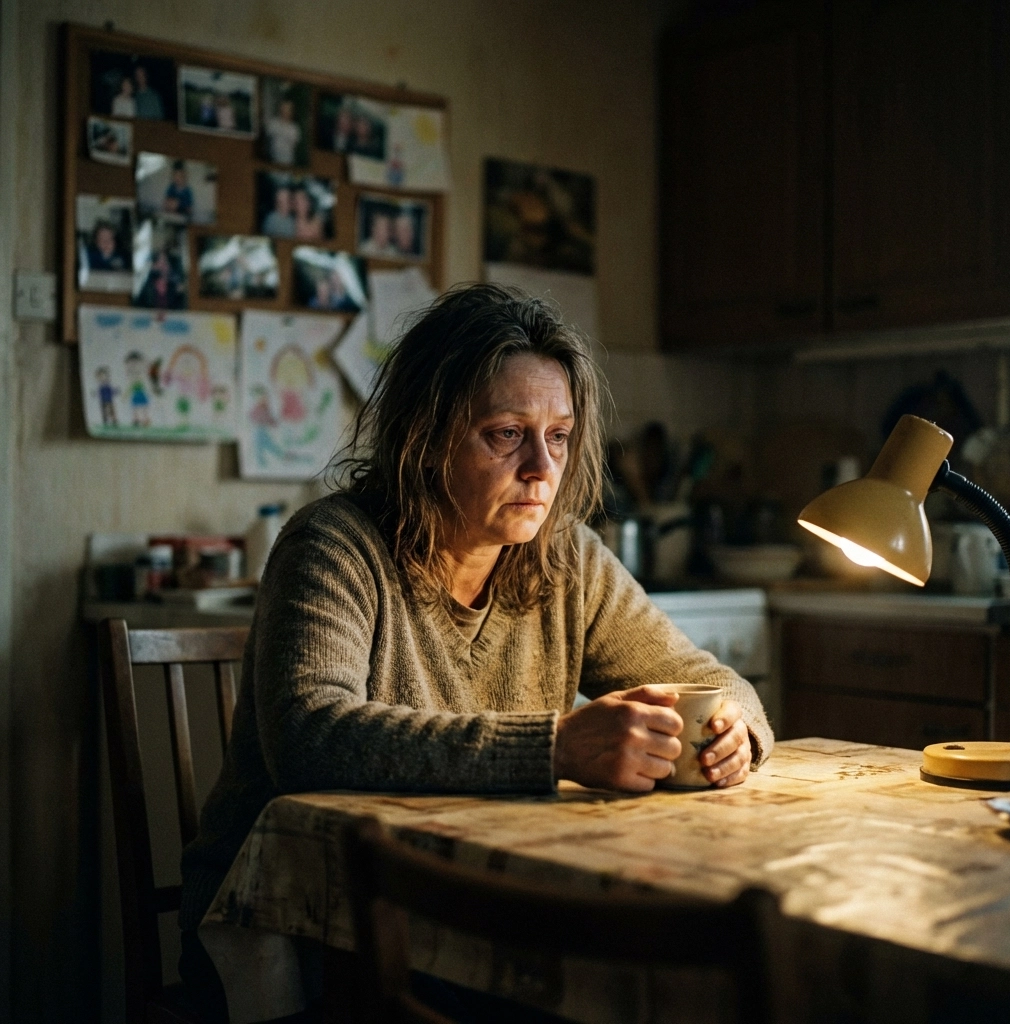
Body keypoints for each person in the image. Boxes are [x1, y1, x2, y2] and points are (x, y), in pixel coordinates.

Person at [178, 284, 773, 1021]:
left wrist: (735, 734)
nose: (542, 468)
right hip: (301, 925)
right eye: (506, 434)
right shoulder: (333, 545)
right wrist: (556, 747)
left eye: (559, 437)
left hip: (463, 909)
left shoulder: (569, 559)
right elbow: (310, 736)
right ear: (424, 439)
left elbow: (720, 684)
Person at [265, 96, 301, 165]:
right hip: (271, 161)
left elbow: (294, 145)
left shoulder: (295, 128)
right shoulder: (273, 123)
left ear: (292, 111)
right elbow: (267, 139)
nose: (285, 111)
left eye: (288, 109)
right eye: (283, 108)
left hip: (287, 162)